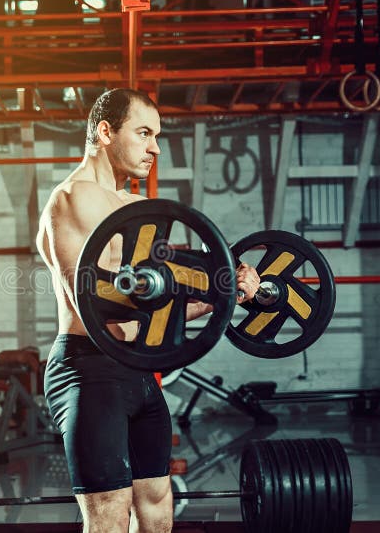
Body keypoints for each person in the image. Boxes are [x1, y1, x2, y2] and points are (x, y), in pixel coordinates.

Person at [35, 88, 260, 533]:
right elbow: (102, 302)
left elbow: (168, 299)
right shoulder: (74, 198)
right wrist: (212, 291)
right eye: (143, 133)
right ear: (104, 131)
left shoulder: (138, 210)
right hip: (89, 367)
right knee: (108, 511)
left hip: (139, 370)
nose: (155, 147)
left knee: (156, 503)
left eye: (156, 135)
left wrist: (229, 290)